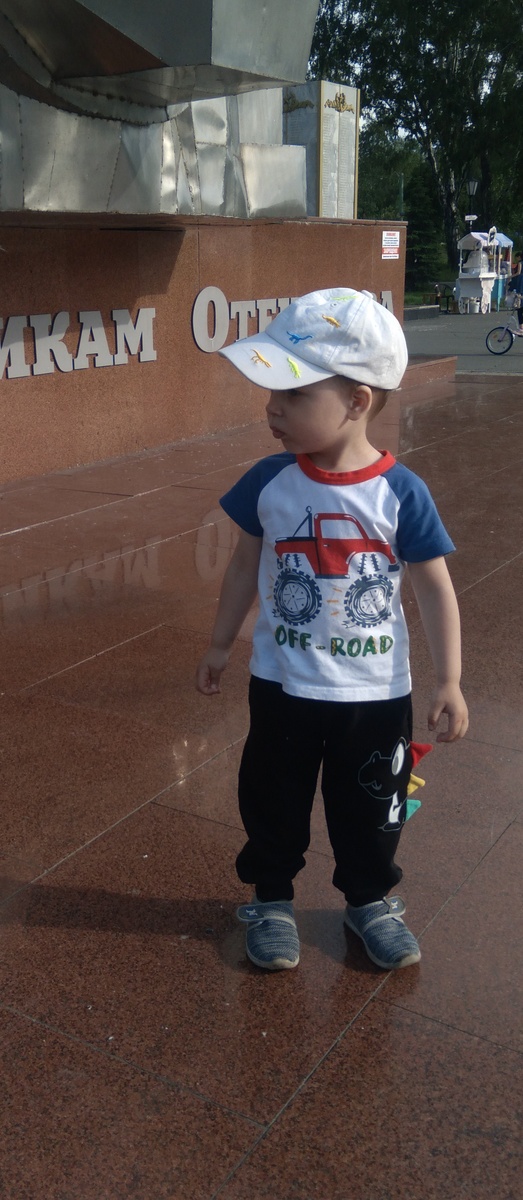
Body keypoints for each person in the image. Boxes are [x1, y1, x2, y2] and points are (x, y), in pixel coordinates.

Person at [195, 288, 468, 973]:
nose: (272, 408)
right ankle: (270, 898)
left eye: (292, 393)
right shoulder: (269, 482)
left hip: (374, 694)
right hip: (282, 684)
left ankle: (369, 899)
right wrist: (221, 643)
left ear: (356, 400)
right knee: (272, 798)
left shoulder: (399, 492)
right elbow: (243, 567)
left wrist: (450, 680)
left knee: (372, 807)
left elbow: (434, 587)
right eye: (271, 391)